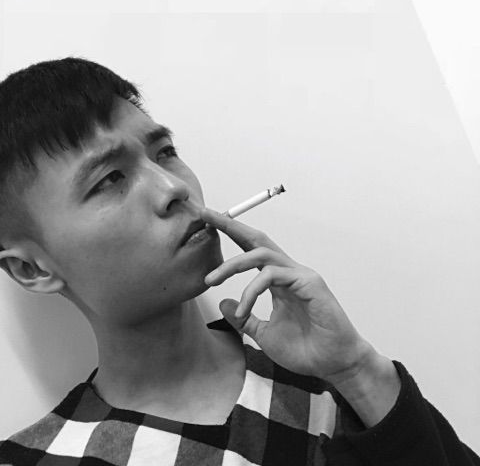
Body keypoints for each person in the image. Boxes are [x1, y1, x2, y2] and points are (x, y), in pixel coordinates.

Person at [0, 57, 477, 466]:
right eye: (109, 179)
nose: (174, 188)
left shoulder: (324, 379)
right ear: (31, 269)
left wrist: (357, 369)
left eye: (165, 153)